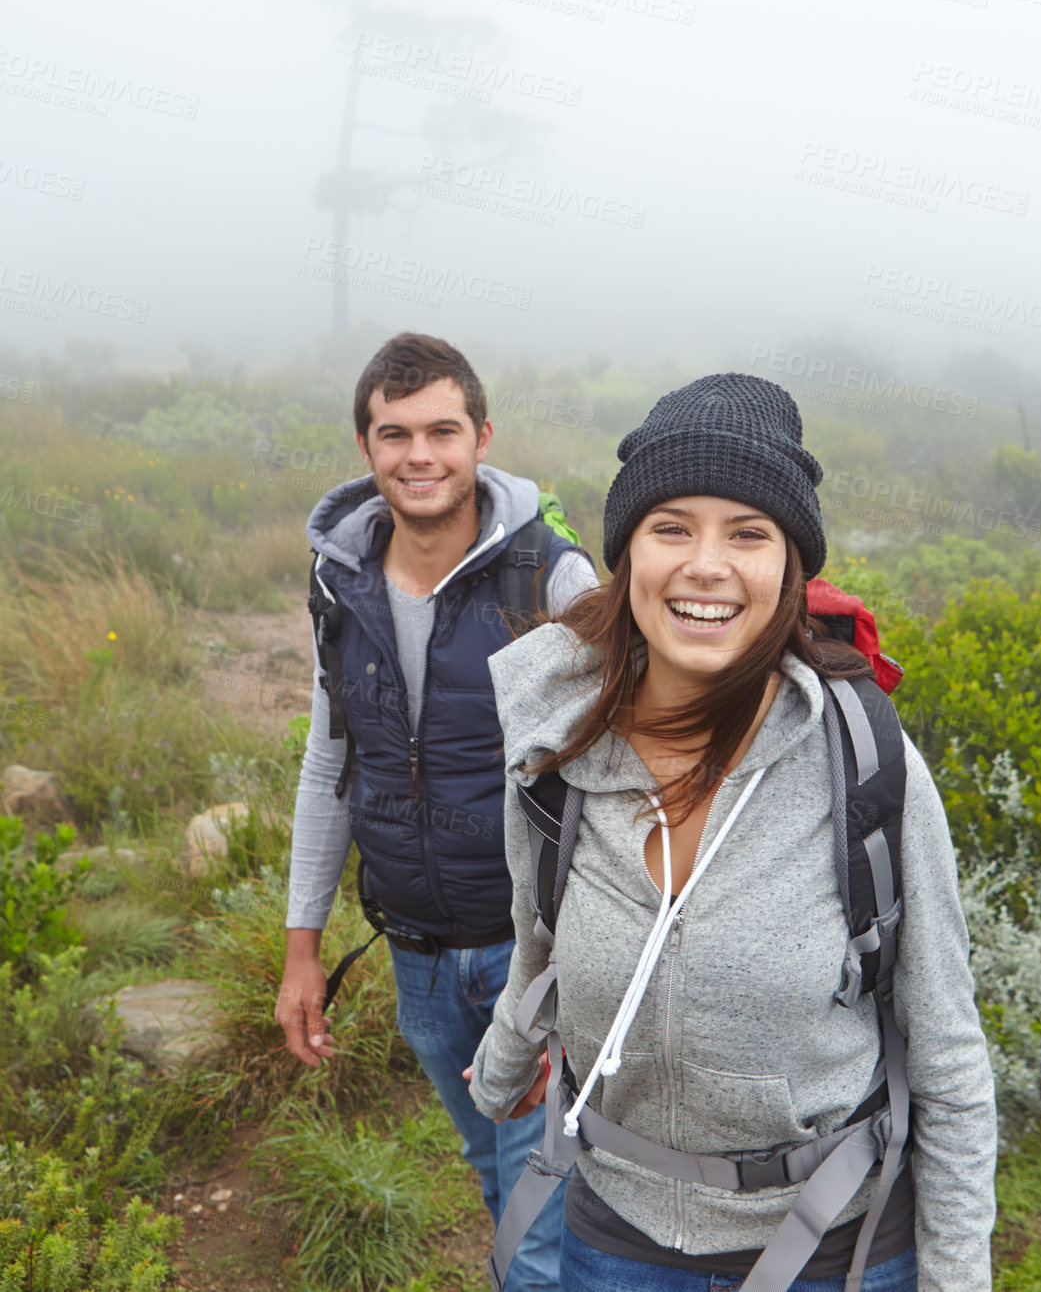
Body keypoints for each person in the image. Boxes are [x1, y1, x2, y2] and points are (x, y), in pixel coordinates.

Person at [467, 373, 997, 1292]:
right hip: (616, 1238)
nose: (705, 564)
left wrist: (957, 1280)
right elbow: (537, 940)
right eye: (671, 526)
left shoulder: (867, 761)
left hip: (835, 1244)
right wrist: (500, 1068)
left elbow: (948, 1051)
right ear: (627, 554)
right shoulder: (554, 749)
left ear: (790, 568)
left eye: (747, 532)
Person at [275, 332, 596, 1292]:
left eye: (443, 431)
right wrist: (302, 945)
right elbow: (331, 759)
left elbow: (622, 781)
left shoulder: (554, 581)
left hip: (528, 954)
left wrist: (572, 979)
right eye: (395, 433)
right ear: (367, 448)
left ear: (481, 438)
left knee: (538, 1206)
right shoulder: (344, 585)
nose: (421, 455)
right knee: (500, 1178)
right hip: (413, 947)